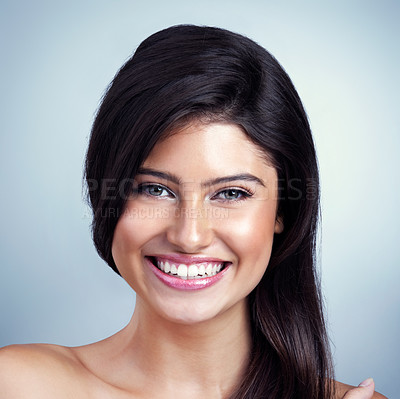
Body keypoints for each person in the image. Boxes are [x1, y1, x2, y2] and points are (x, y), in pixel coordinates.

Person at [0, 25, 387, 399]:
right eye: (155, 189)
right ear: (109, 200)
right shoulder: (17, 385)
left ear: (283, 211)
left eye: (231, 194)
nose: (189, 236)